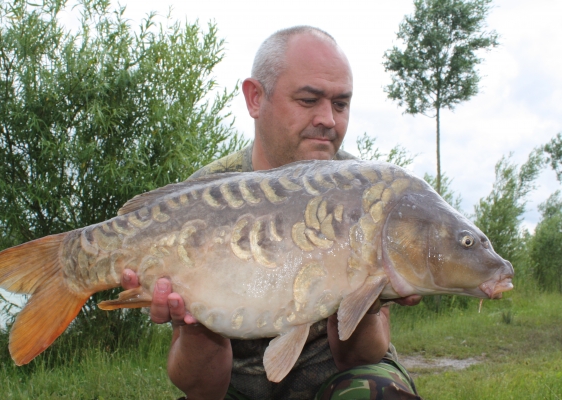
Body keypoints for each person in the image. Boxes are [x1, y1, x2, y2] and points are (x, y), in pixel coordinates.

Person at [122, 26, 422, 400]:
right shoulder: (204, 198)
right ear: (255, 98)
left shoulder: (366, 191)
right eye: (309, 100)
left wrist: (365, 297)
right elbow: (202, 388)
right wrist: (195, 322)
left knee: (373, 392)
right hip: (238, 384)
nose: (328, 119)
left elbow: (358, 356)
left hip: (339, 375)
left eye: (341, 104)